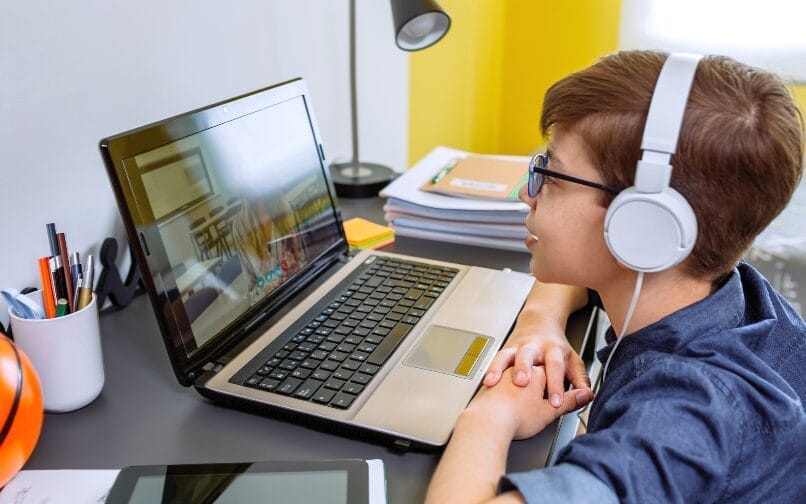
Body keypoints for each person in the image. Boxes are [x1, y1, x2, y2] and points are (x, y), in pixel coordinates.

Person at [426, 50, 805, 503]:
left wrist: (489, 415)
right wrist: (539, 322)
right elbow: (574, 271)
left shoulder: (684, 422)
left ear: (642, 228)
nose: (529, 194)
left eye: (552, 175)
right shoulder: (723, 289)